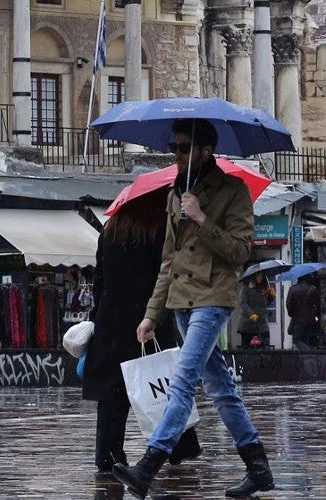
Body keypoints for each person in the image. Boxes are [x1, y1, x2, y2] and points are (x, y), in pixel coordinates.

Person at [114, 118, 273, 498]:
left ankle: (148, 466)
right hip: (183, 301)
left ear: (205, 150)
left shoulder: (232, 192)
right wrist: (153, 313)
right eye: (174, 147)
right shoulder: (174, 194)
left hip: (213, 298)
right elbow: (169, 260)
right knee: (220, 388)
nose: (177, 154)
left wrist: (202, 218)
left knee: (183, 381)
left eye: (184, 148)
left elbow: (239, 251)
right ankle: (258, 468)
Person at [83, 190, 202, 474]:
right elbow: (166, 278)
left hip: (111, 321)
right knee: (163, 384)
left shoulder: (109, 232)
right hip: (149, 319)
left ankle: (109, 454)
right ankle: (179, 447)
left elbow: (99, 279)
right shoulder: (157, 231)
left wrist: (97, 316)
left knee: (112, 394)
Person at [238, 272, 271, 348]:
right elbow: (243, 303)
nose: (260, 277)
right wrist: (251, 314)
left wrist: (271, 297)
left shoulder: (264, 289)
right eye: (258, 275)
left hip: (262, 323)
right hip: (248, 324)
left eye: (262, 275)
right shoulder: (246, 289)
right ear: (253, 276)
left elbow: (264, 305)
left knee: (266, 346)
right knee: (247, 347)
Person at [286, 275, 320, 350]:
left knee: (297, 340)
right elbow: (317, 303)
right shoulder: (313, 288)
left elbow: (289, 305)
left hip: (298, 319)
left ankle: (308, 353)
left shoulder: (293, 289)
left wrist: (293, 315)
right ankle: (307, 358)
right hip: (311, 319)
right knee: (305, 339)